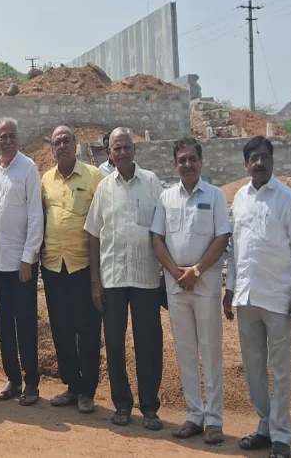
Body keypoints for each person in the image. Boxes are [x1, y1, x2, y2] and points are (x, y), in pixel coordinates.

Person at [225, 136, 291, 458]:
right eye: (253, 158)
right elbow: (234, 251)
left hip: (278, 297)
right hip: (246, 297)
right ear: (246, 164)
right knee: (253, 367)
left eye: (264, 156)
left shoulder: (286, 198)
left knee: (281, 368)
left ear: (271, 160)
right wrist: (229, 289)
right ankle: (264, 425)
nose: (258, 162)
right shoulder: (240, 200)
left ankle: (282, 436)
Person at [151, 136, 232, 445]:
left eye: (191, 159)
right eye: (181, 160)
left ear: (201, 162)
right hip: (175, 286)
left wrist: (196, 271)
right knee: (185, 352)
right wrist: (175, 272)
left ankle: (214, 421)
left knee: (210, 352)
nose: (187, 164)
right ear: (175, 165)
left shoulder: (214, 196)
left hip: (205, 285)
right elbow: (157, 239)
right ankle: (193, 416)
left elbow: (222, 238)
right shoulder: (166, 197)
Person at [84, 127, 164, 430]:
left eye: (126, 147)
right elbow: (93, 235)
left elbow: (162, 229)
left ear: (135, 149)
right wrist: (95, 280)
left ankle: (150, 407)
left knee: (148, 343)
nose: (122, 152)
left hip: (145, 278)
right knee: (115, 344)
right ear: (110, 152)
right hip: (113, 279)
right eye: (116, 148)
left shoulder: (152, 183)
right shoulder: (104, 188)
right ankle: (122, 404)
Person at [40, 125, 103, 414]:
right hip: (53, 266)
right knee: (61, 330)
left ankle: (87, 391)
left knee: (87, 331)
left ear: (76, 144)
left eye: (67, 140)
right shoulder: (45, 180)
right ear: (51, 148)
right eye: (57, 142)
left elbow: (101, 223)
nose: (62, 146)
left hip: (82, 266)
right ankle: (71, 386)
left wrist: (97, 277)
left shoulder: (94, 177)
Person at [0, 117, 44, 406]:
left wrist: (28, 259)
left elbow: (36, 216)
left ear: (17, 139)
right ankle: (13, 379)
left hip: (22, 266)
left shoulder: (29, 168)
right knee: (5, 325)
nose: (7, 141)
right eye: (2, 137)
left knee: (25, 324)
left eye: (12, 136)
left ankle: (31, 382)